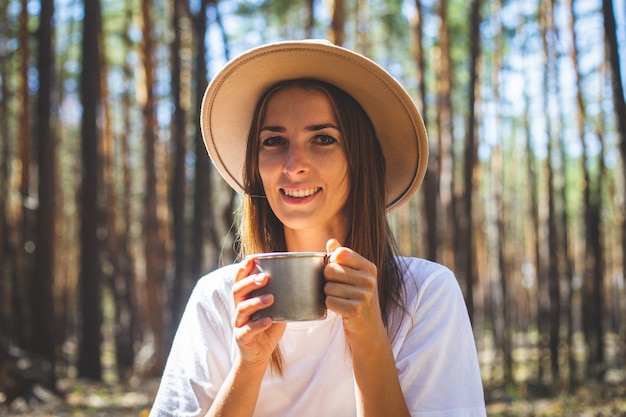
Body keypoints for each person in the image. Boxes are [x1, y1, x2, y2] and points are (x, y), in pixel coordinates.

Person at [149, 39, 486, 417]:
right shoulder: (217, 298)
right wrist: (249, 365)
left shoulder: (424, 294)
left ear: (360, 161)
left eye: (323, 139)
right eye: (273, 141)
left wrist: (370, 338)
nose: (293, 165)